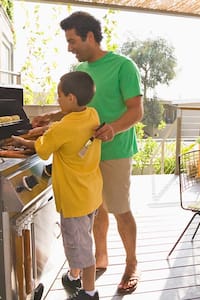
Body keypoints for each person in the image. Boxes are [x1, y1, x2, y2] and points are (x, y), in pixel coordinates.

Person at [31, 11, 143, 294]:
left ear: (89, 36)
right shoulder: (83, 73)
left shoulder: (122, 66)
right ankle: (100, 258)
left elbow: (136, 110)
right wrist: (50, 116)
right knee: (95, 210)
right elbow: (75, 108)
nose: (69, 47)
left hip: (114, 150)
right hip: (85, 157)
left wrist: (113, 129)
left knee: (120, 210)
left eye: (72, 41)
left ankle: (131, 263)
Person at [13, 71, 102, 300]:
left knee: (81, 250)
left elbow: (41, 149)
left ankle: (89, 292)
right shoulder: (91, 114)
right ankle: (73, 277)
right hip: (91, 194)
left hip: (74, 200)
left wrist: (20, 140)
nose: (58, 100)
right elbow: (67, 126)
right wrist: (47, 128)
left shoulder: (63, 129)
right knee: (82, 239)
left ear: (71, 98)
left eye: (60, 96)